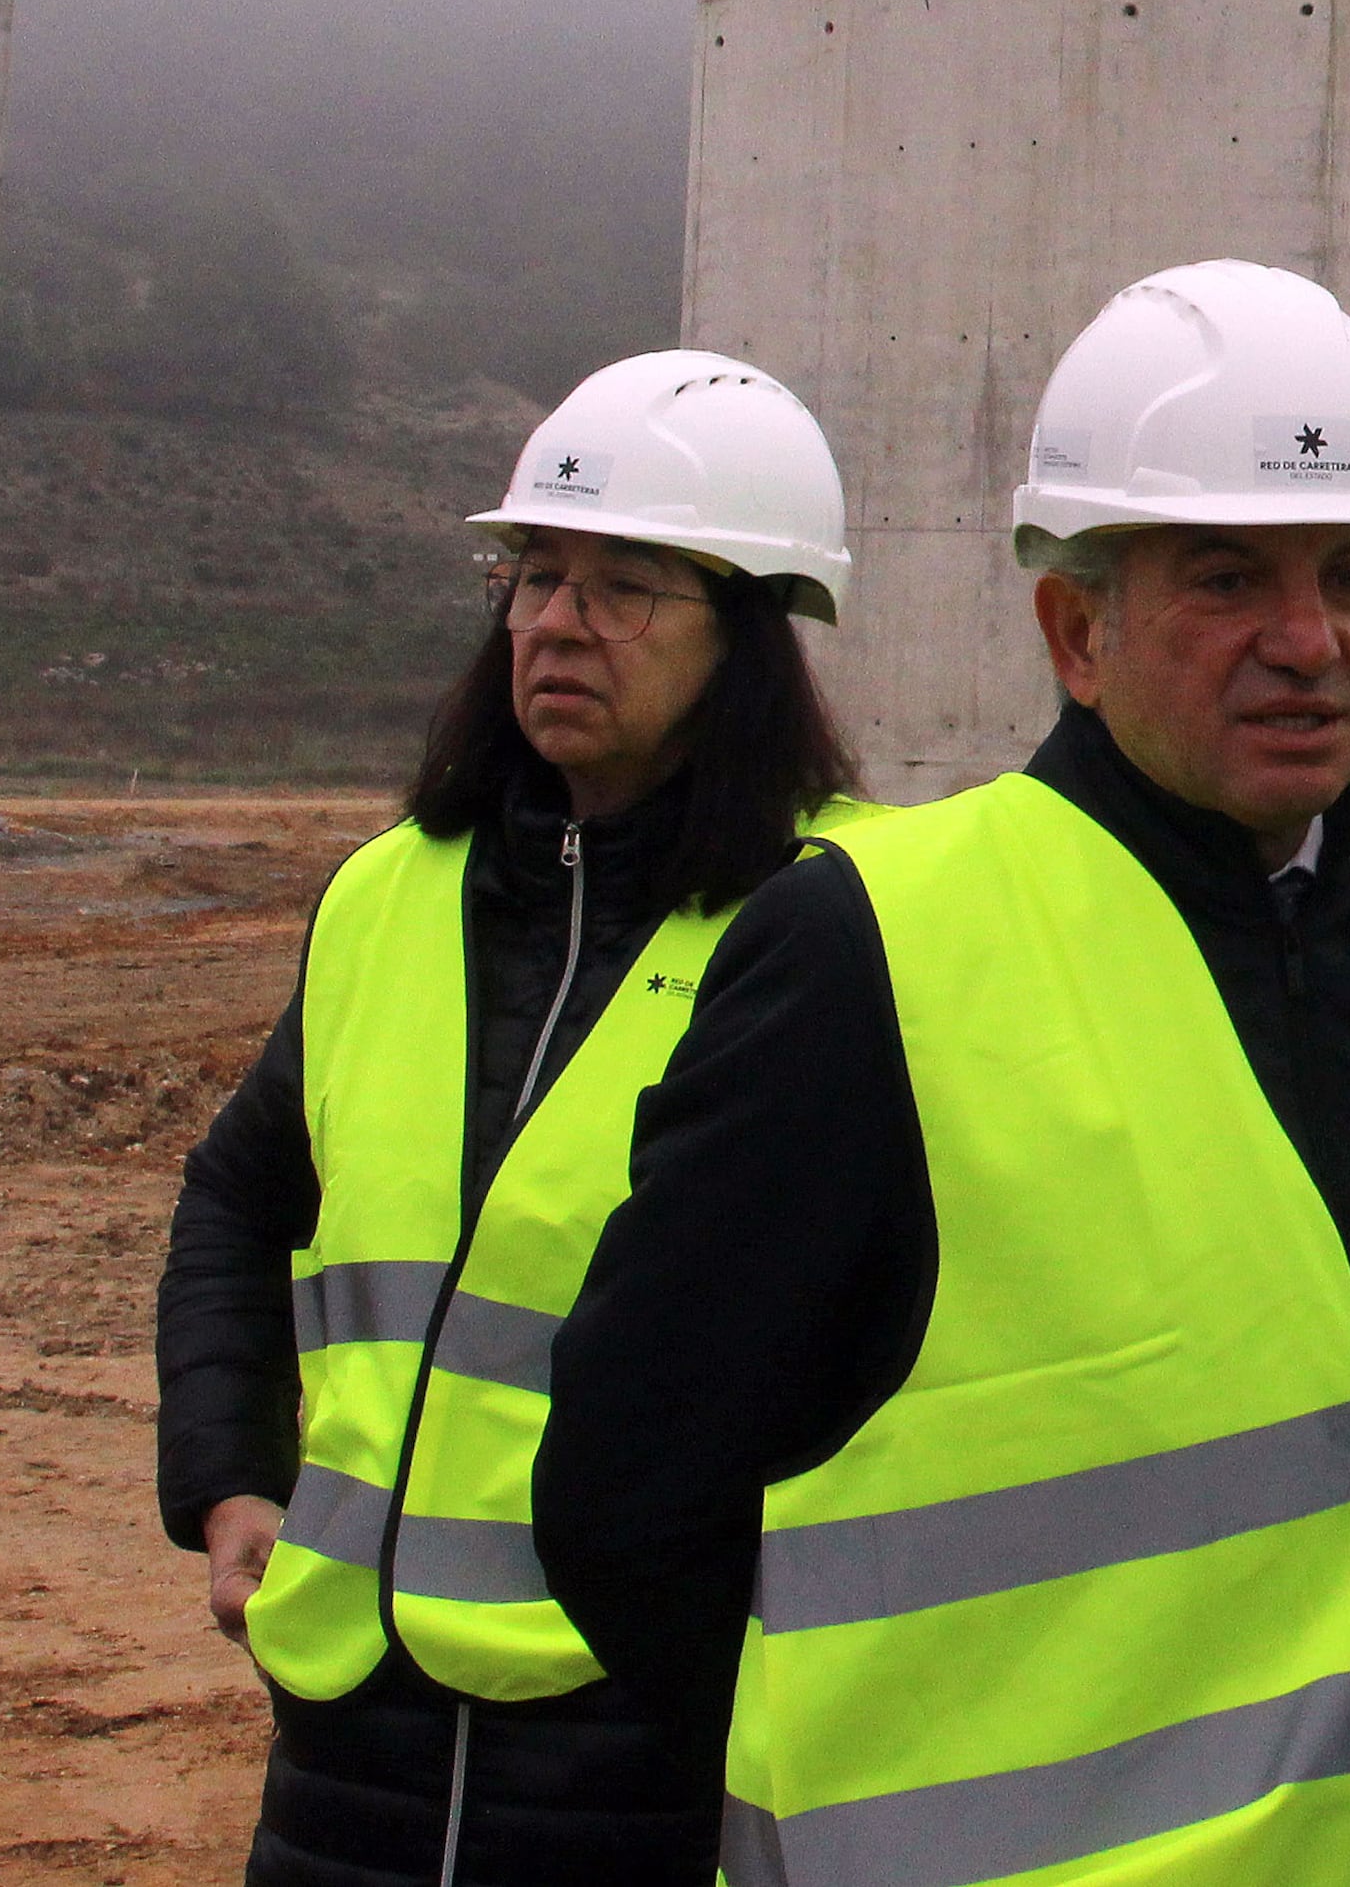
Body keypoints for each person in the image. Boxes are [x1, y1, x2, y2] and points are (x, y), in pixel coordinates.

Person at [530, 261, 1350, 1885]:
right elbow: (622, 1494)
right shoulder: (875, 942)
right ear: (1077, 628)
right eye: (1228, 578)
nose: (1312, 642)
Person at [157, 351, 869, 1887]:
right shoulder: (388, 894)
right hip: (347, 1734)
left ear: (749, 630)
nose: (556, 622)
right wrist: (227, 1471)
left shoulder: (834, 925)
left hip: (638, 1742)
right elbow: (236, 1194)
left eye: (624, 588)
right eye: (534, 576)